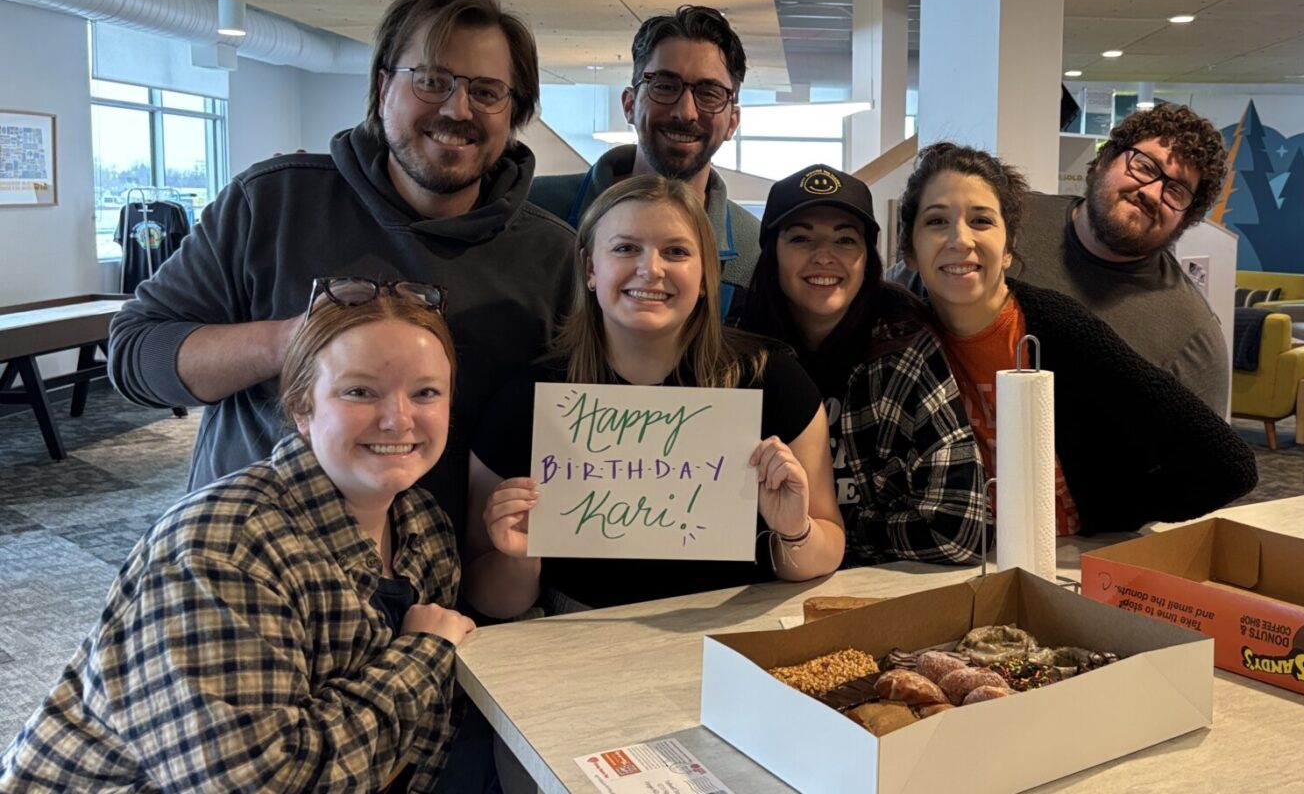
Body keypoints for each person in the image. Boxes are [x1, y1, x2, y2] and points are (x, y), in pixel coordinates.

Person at [107, 0, 574, 537]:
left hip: (441, 584)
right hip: (253, 566)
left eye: (487, 91)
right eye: (431, 80)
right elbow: (136, 355)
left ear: (512, 110)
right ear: (383, 88)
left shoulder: (552, 254)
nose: (457, 108)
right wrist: (293, 341)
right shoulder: (272, 202)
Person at [2, 287, 472, 793]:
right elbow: (259, 785)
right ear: (301, 409)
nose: (398, 419)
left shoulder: (424, 528)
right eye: (359, 391)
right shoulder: (219, 551)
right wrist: (422, 653)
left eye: (425, 393)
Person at [465, 174, 844, 618]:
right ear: (590, 269)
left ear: (705, 276)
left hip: (735, 627)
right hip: (575, 637)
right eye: (626, 248)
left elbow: (825, 551)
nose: (651, 269)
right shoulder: (526, 398)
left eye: (677, 252)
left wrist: (795, 530)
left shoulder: (774, 380)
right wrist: (518, 557)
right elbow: (491, 599)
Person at [895, 142, 1256, 535]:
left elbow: (1228, 464)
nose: (959, 239)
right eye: (935, 221)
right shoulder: (899, 337)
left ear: (1010, 248)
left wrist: (1110, 511)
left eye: (981, 221)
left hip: (1059, 563)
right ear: (909, 251)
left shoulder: (1059, 330)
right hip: (948, 561)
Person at [890, 103, 1231, 415]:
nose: (1151, 192)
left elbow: (1205, 475)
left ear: (1188, 217)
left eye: (1176, 191)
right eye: (1144, 166)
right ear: (1103, 160)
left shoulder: (1191, 337)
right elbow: (895, 293)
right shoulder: (1006, 219)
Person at [733, 164, 985, 566]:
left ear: (867, 258)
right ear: (771, 255)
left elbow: (957, 530)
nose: (824, 257)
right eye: (801, 238)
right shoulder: (736, 354)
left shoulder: (904, 350)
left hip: (874, 589)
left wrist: (831, 534)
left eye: (845, 240)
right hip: (755, 592)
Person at [529, 6, 761, 315]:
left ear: (732, 121)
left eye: (709, 93)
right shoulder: (536, 211)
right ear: (629, 104)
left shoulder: (754, 250)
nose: (685, 112)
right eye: (665, 86)